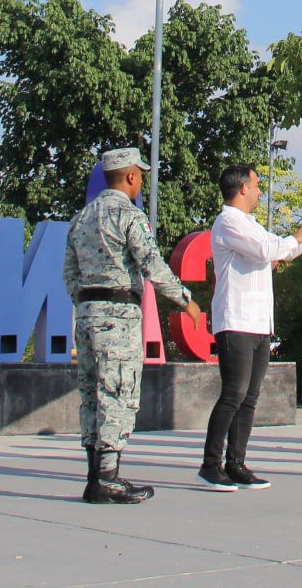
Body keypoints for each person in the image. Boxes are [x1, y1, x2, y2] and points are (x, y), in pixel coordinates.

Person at [62, 147, 202, 506]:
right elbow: (153, 265)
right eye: (140, 174)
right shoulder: (129, 215)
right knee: (119, 392)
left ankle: (95, 476)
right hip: (119, 314)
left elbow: (69, 275)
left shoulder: (81, 218)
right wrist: (186, 301)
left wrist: (87, 302)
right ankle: (108, 478)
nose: (141, 180)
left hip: (88, 313)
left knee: (92, 393)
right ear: (131, 177)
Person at [198, 164, 302, 492]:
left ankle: (236, 463)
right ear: (241, 189)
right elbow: (271, 249)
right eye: (256, 185)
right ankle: (211, 465)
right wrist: (294, 237)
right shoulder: (229, 222)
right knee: (234, 393)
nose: (259, 191)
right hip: (234, 320)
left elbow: (281, 251)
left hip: (258, 322)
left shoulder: (250, 224)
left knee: (250, 397)